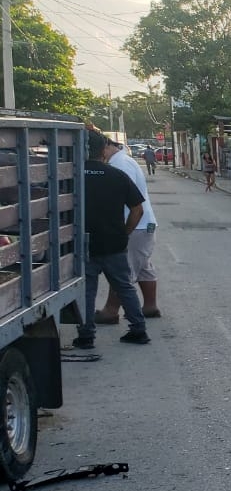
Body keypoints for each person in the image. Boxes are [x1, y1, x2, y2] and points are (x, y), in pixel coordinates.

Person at [72, 130, 150, 348]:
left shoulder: (72, 176)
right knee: (124, 287)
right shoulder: (116, 175)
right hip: (114, 243)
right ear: (103, 151)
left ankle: (86, 336)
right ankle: (138, 329)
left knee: (87, 290)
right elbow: (138, 209)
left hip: (83, 243)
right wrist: (124, 232)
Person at [95, 139, 161, 322]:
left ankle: (111, 310)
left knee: (122, 270)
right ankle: (150, 306)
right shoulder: (123, 161)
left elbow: (125, 198)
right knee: (143, 267)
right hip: (143, 224)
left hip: (135, 224)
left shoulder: (120, 165)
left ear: (107, 147)